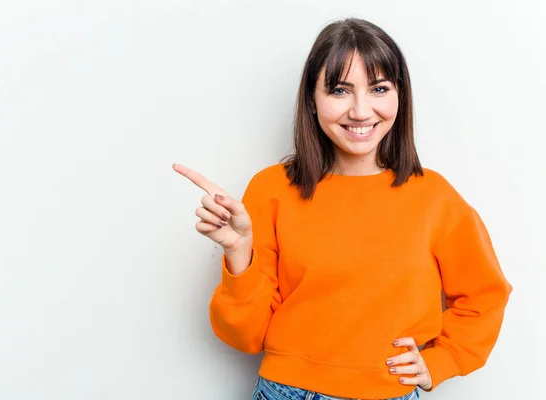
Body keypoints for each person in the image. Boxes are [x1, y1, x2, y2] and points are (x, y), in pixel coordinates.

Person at [173, 17, 512, 400]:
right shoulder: (272, 190)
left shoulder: (434, 197)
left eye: (379, 88)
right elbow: (245, 336)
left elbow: (485, 295)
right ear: (312, 102)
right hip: (286, 392)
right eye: (339, 90)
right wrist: (239, 253)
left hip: (390, 393)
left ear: (400, 96)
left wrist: (443, 360)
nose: (361, 110)